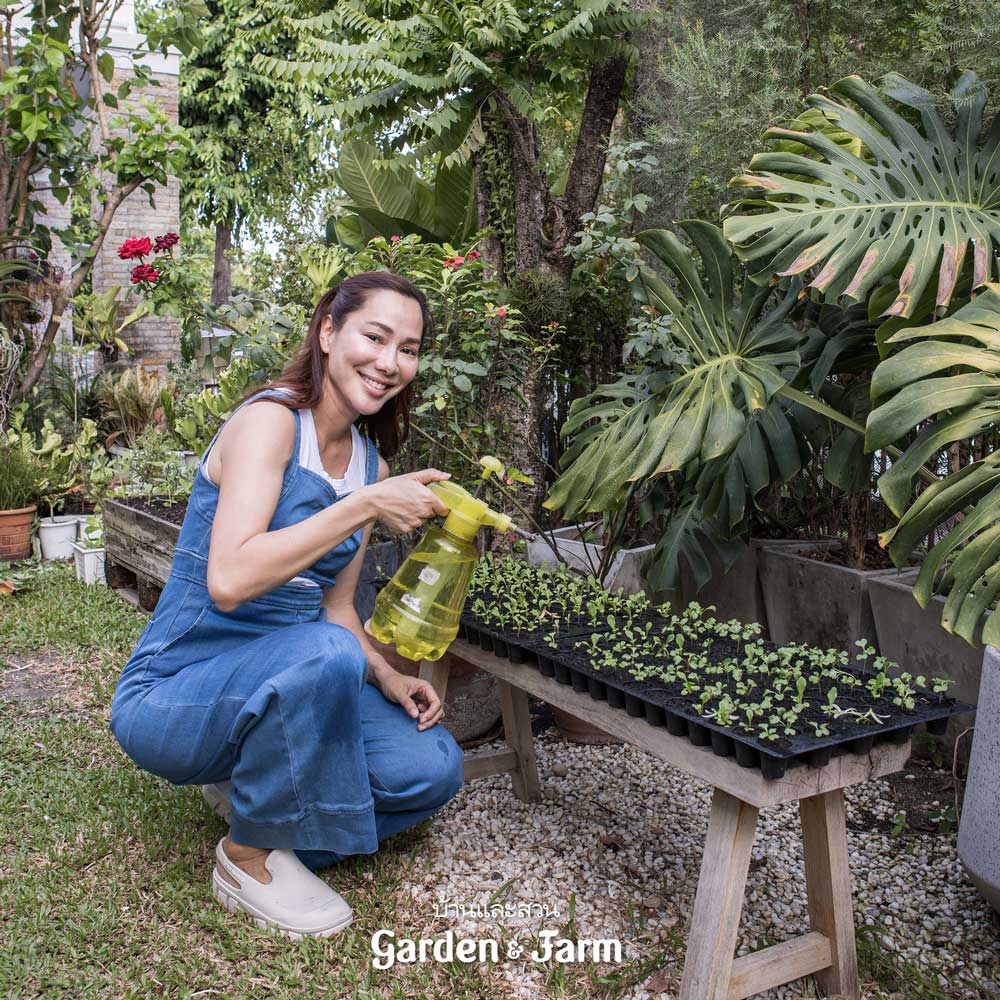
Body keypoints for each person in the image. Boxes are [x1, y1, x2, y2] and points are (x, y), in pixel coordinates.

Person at [109, 271, 466, 940]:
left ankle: (259, 807)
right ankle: (247, 858)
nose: (391, 363)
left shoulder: (368, 466)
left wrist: (390, 678)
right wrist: (360, 507)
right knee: (324, 654)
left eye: (409, 349)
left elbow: (335, 611)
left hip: (296, 674)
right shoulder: (270, 424)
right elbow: (230, 579)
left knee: (431, 770)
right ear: (329, 332)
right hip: (178, 690)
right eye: (376, 336)